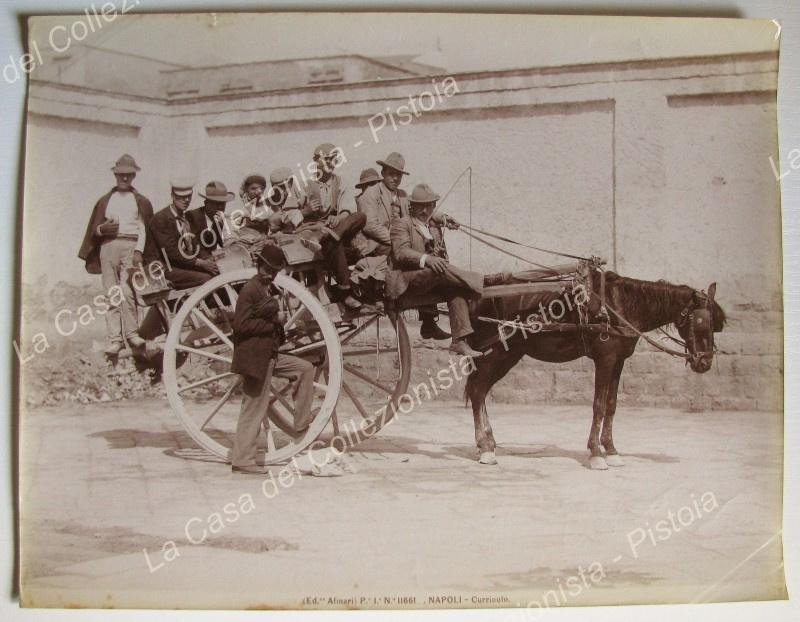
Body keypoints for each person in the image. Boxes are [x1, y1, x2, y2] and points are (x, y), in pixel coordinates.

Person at [229, 244, 316, 475]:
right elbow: (240, 326)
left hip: (270, 354)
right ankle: (242, 460)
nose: (270, 273)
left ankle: (301, 423)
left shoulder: (267, 289)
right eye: (267, 269)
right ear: (259, 266)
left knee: (305, 369)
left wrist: (284, 328)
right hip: (255, 357)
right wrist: (273, 321)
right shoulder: (250, 290)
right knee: (254, 407)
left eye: (275, 270)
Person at [355, 153, 448, 339]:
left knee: (428, 241)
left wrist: (442, 218)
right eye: (391, 174)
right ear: (383, 172)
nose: (395, 178)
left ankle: (429, 320)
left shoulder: (403, 196)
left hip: (398, 242)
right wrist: (397, 238)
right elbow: (370, 225)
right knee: (415, 251)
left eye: (399, 175)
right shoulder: (370, 195)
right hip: (377, 244)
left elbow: (421, 210)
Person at [387, 183, 485, 358]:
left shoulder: (433, 227)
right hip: (407, 283)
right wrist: (427, 259)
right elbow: (401, 252)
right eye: (420, 207)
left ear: (433, 206)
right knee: (437, 271)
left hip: (430, 281)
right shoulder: (402, 224)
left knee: (455, 289)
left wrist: (437, 256)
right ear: (412, 206)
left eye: (429, 206)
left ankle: (459, 342)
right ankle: (483, 281)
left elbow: (444, 260)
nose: (425, 211)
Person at [78, 154, 153, 354]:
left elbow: (144, 228)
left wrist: (139, 250)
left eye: (129, 175)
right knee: (111, 293)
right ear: (115, 175)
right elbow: (95, 230)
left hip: (130, 245)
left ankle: (132, 334)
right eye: (121, 174)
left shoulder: (140, 201)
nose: (125, 178)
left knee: (128, 291)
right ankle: (114, 339)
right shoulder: (105, 200)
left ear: (134, 176)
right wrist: (103, 230)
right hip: (108, 248)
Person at [267, 165, 364, 310]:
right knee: (333, 243)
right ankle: (344, 291)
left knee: (359, 217)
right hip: (304, 235)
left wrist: (335, 218)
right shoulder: (280, 201)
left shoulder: (302, 189)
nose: (284, 188)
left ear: (292, 182)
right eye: (279, 187)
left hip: (324, 229)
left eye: (286, 184)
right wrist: (305, 212)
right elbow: (283, 221)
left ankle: (329, 235)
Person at [144, 181, 219, 289]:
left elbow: (196, 246)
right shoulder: (161, 219)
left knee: (219, 273)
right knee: (207, 278)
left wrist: (209, 258)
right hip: (162, 269)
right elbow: (172, 252)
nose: (186, 200)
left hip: (182, 266)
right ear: (173, 196)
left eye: (189, 196)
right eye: (181, 197)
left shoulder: (187, 218)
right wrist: (201, 263)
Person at [185, 181, 237, 258]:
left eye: (223, 203)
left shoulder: (222, 219)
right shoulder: (192, 216)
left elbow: (225, 243)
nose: (220, 207)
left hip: (213, 257)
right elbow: (197, 247)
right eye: (216, 203)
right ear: (206, 203)